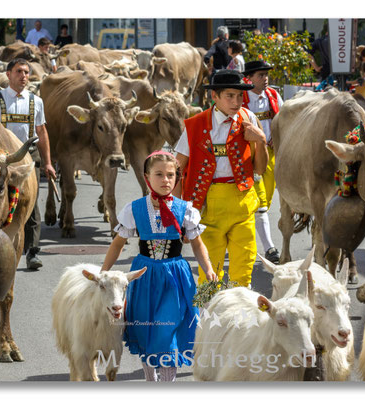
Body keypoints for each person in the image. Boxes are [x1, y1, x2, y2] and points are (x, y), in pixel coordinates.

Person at [100, 151, 216, 382]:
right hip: (144, 276)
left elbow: (197, 244)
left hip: (175, 277)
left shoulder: (186, 210)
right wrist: (104, 271)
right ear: (146, 177)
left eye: (171, 175)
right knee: (146, 329)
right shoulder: (135, 209)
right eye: (159, 174)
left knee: (168, 332)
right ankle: (150, 379)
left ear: (177, 178)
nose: (166, 180)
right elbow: (118, 243)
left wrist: (209, 269)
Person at [173, 69, 269, 287]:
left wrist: (260, 140)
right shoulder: (195, 125)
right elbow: (177, 170)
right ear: (214, 97)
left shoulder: (249, 118)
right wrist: (178, 213)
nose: (236, 102)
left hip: (242, 202)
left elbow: (260, 169)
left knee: (244, 270)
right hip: (207, 206)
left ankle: (239, 317)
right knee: (210, 273)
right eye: (230, 96)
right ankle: (208, 317)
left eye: (239, 96)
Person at [0, 58, 57, 270]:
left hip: (29, 157)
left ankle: (32, 251)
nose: (24, 76)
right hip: (1, 159)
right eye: (19, 72)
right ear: (8, 74)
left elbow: (41, 132)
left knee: (30, 204)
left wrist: (48, 163)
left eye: (26, 72)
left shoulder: (36, 101)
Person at [241, 60, 283, 263]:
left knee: (266, 196)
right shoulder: (240, 98)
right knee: (260, 202)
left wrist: (276, 134)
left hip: (271, 153)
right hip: (250, 157)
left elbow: (283, 119)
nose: (265, 79)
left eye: (266, 75)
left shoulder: (273, 95)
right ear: (249, 78)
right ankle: (269, 248)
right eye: (260, 75)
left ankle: (249, 238)